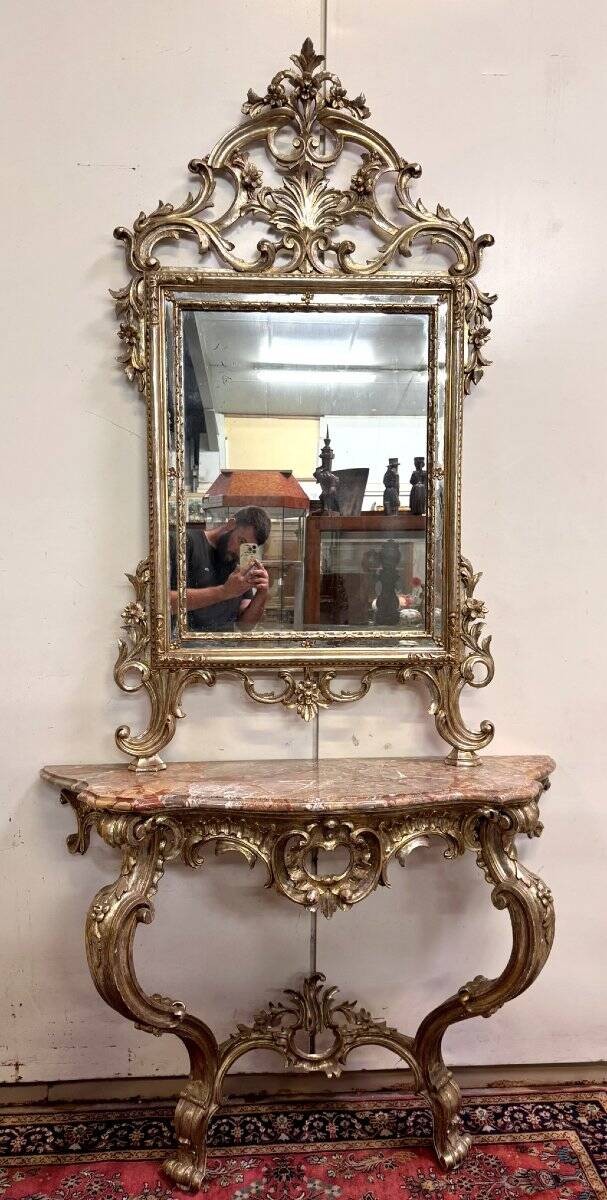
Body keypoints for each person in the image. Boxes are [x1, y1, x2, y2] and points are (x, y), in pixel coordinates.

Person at [170, 506, 271, 632]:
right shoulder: (185, 543)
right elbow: (164, 602)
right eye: (241, 541)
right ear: (231, 524)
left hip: (224, 648)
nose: (240, 552)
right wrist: (224, 592)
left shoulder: (239, 566)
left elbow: (245, 626)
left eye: (247, 547)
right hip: (186, 647)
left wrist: (262, 592)